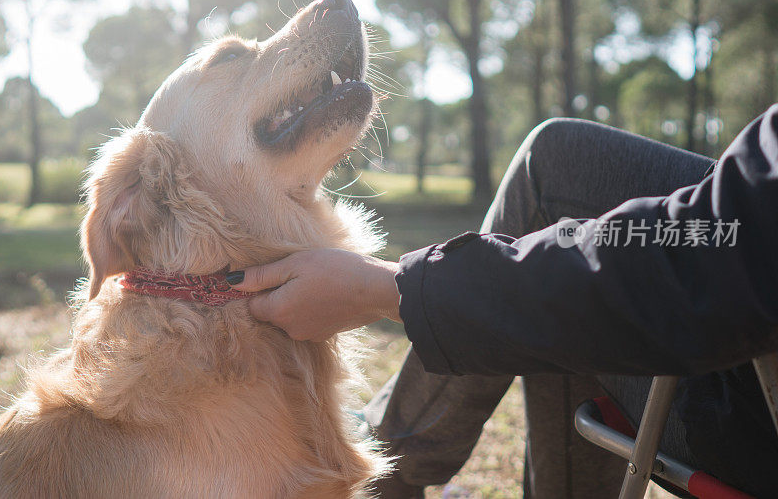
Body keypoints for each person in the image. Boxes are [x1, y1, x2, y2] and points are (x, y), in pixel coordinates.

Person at [226, 105, 778, 498]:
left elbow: (715, 268)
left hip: (750, 410)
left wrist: (391, 288)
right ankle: (392, 446)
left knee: (558, 212)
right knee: (558, 163)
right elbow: (733, 232)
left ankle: (389, 460)